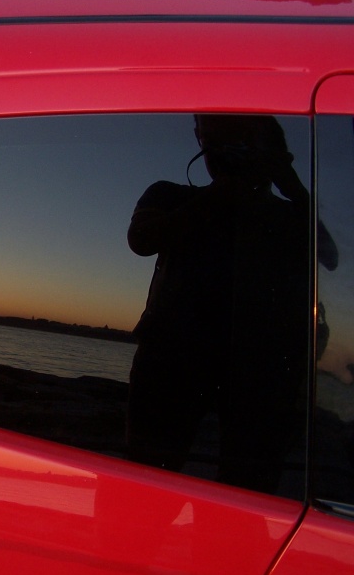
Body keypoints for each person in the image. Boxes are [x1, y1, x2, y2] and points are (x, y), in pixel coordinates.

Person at [126, 114, 337, 494]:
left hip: (258, 374)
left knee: (247, 489)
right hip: (172, 363)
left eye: (240, 143)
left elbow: (330, 256)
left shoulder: (289, 217)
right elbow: (142, 239)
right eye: (214, 141)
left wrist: (292, 185)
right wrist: (220, 196)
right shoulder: (171, 194)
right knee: (146, 487)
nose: (223, 153)